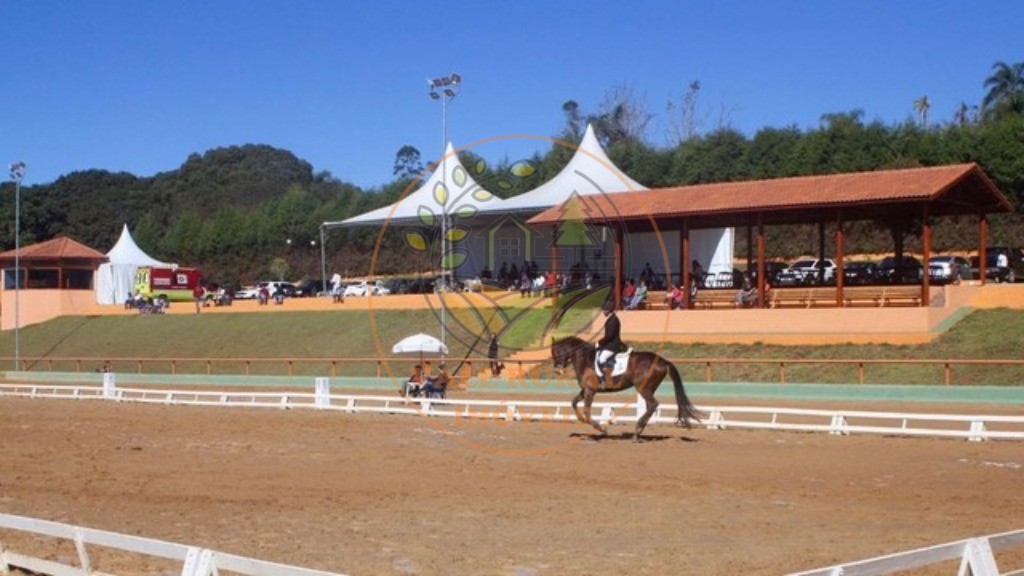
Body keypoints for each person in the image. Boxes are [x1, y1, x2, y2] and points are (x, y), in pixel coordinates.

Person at [596, 300, 625, 389]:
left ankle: (607, 380)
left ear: (609, 310)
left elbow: (609, 336)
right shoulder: (611, 319)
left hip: (612, 345)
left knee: (602, 358)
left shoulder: (613, 320)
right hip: (610, 344)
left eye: (604, 310)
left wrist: (600, 342)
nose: (603, 312)